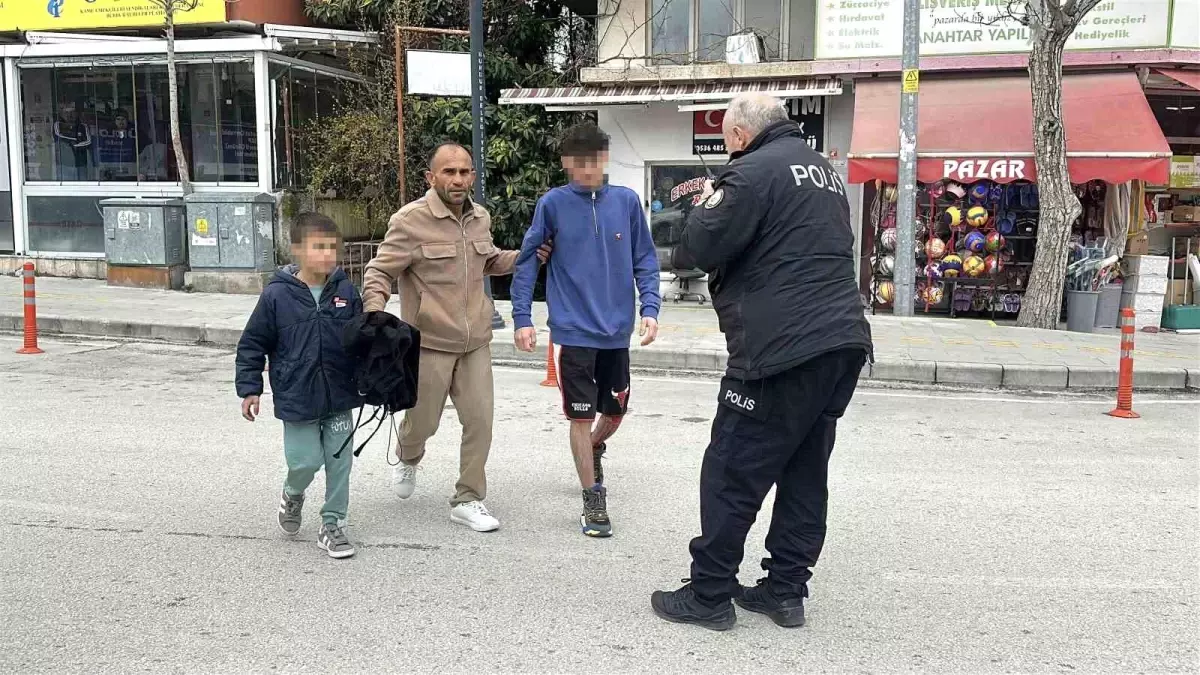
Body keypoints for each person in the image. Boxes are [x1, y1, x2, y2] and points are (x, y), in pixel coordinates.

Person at [650, 93, 873, 630]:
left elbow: (698, 248)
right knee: (803, 469)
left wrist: (706, 202)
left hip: (780, 351)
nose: (729, 150)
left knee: (731, 468)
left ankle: (708, 595)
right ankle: (785, 590)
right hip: (841, 342)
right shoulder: (821, 170)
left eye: (728, 141)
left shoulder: (748, 174)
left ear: (742, 135)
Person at [361, 142, 549, 533]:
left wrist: (529, 254)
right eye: (449, 172)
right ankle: (408, 457)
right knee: (422, 423)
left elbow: (489, 260)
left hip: (476, 341)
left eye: (465, 172)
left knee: (480, 421)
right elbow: (380, 271)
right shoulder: (410, 221)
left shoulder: (480, 217)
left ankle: (468, 498)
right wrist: (373, 312)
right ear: (431, 177)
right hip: (428, 343)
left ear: (473, 176)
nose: (458, 179)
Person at [510, 123, 661, 538]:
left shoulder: (627, 203)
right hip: (572, 333)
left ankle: (594, 446)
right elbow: (528, 262)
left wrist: (650, 308)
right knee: (580, 415)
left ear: (604, 158)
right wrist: (523, 319)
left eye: (594, 159)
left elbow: (645, 260)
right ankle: (592, 498)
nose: (588, 168)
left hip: (617, 333)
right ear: (566, 163)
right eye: (579, 161)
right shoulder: (552, 204)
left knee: (614, 413)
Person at [235, 213, 364, 559]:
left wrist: (374, 375)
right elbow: (253, 343)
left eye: (331, 248)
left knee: (340, 461)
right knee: (305, 460)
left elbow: (360, 341)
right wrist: (250, 388)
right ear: (297, 251)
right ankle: (293, 492)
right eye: (317, 247)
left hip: (339, 395)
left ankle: (332, 524)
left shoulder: (347, 291)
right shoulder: (277, 295)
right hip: (298, 395)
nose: (326, 255)